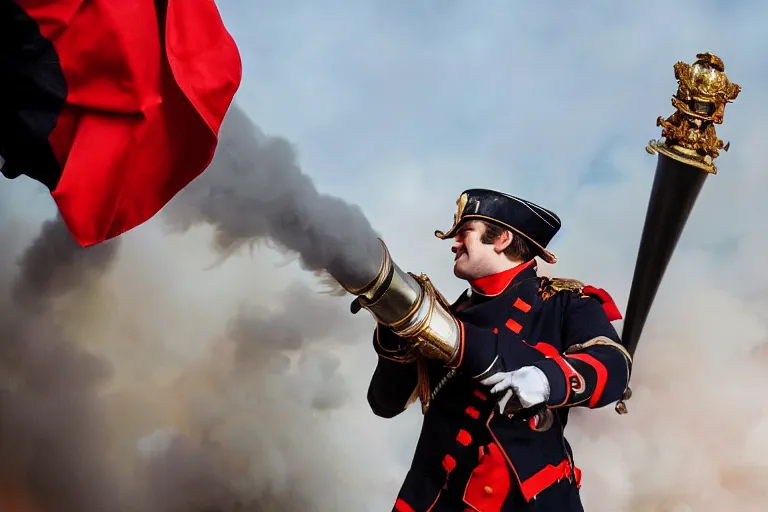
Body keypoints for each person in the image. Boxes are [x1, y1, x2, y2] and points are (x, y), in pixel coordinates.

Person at [366, 188, 631, 511]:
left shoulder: (564, 303)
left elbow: (613, 364)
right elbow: (385, 402)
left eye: (465, 233)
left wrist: (546, 379)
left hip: (520, 501)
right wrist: (393, 325)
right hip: (433, 499)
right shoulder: (449, 316)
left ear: (502, 238)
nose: (455, 243)